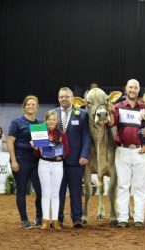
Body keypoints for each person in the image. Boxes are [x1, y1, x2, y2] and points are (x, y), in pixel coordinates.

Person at [107, 79, 145, 228]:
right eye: (130, 87)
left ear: (139, 90)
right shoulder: (117, 107)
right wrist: (108, 111)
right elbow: (110, 123)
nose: (132, 90)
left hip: (141, 150)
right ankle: (123, 219)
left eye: (135, 88)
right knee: (123, 186)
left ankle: (139, 218)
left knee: (139, 186)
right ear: (126, 89)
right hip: (122, 150)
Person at [56, 87, 91, 228]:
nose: (63, 99)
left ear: (72, 98)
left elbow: (86, 135)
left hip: (76, 160)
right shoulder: (52, 114)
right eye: (61, 97)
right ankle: (58, 219)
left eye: (66, 96)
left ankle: (77, 218)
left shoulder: (82, 114)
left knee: (76, 191)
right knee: (58, 191)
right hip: (56, 160)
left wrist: (84, 154)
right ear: (58, 98)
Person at [7, 95, 42, 229]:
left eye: (33, 104)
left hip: (36, 161)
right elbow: (10, 141)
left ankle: (39, 217)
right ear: (24, 107)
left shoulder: (40, 124)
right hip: (21, 160)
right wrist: (13, 161)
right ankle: (24, 220)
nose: (30, 107)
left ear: (37, 107)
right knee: (22, 190)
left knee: (40, 190)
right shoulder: (17, 122)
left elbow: (42, 145)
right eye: (28, 104)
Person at [33, 110, 70, 230]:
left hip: (57, 164)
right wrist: (35, 147)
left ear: (57, 121)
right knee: (45, 193)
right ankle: (45, 220)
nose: (51, 121)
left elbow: (67, 151)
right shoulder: (40, 132)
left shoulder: (62, 134)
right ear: (45, 121)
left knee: (55, 194)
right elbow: (37, 153)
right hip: (43, 163)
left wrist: (62, 156)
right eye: (49, 119)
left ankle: (55, 220)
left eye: (54, 119)